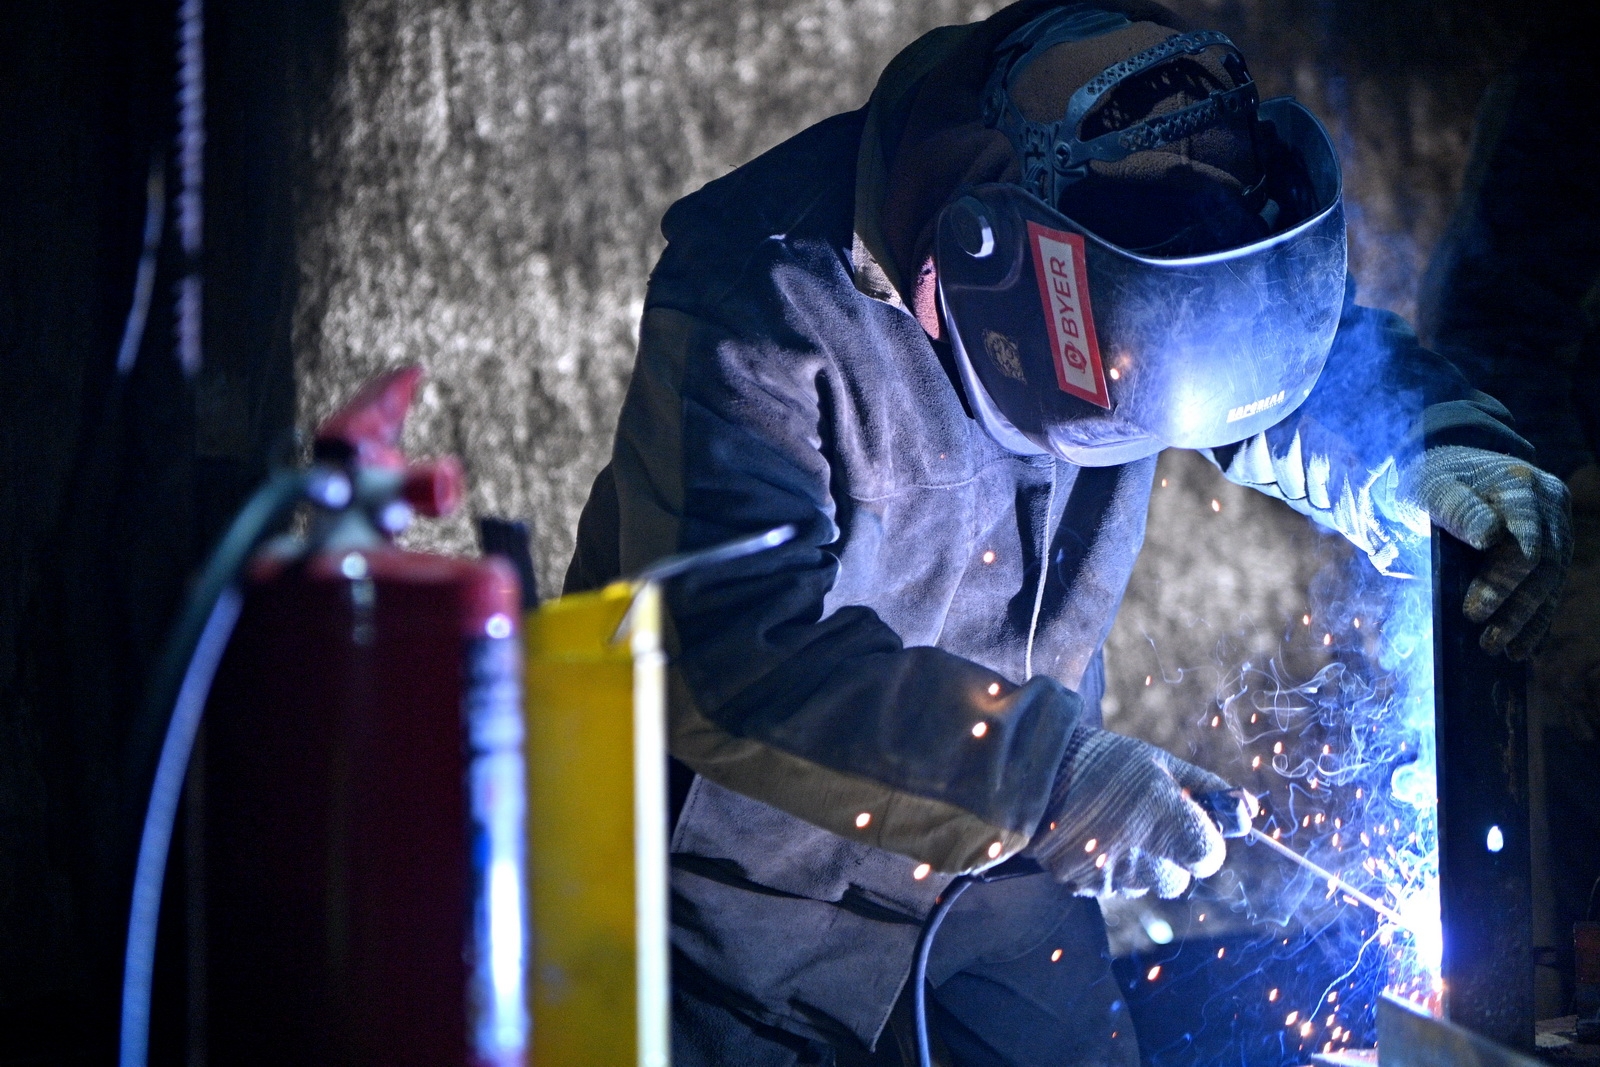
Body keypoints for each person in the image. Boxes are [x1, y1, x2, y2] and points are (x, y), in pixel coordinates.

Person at [565, 3, 1571, 1063]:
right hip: (735, 891)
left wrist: (1434, 445)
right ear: (978, 265)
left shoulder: (1137, 225)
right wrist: (1045, 774)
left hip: (1001, 876)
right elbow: (725, 656)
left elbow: (1272, 360)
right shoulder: (761, 297)